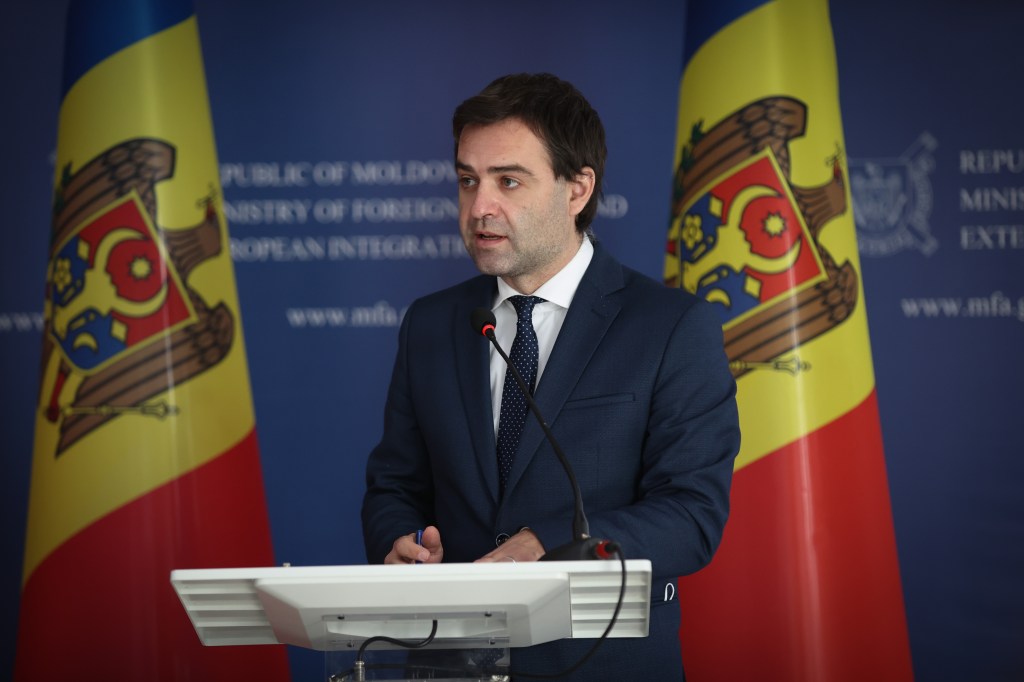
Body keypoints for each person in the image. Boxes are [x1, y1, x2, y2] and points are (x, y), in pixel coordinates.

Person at [362, 73, 740, 680]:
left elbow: (691, 516)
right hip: (451, 662)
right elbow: (394, 485)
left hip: (599, 664)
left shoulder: (671, 327)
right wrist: (397, 543)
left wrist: (550, 544)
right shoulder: (431, 325)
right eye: (467, 180)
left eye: (508, 181)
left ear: (577, 189)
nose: (479, 206)